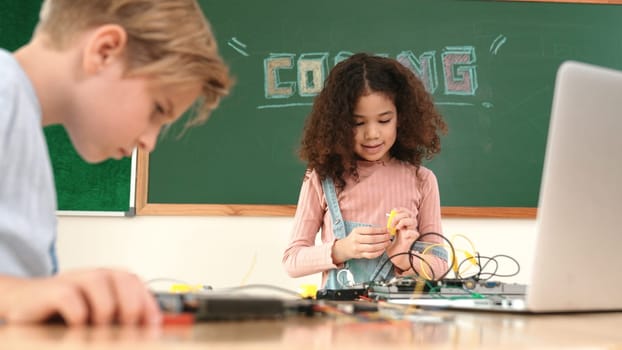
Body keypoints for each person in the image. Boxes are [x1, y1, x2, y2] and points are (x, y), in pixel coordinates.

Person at [0, 0, 231, 325]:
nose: (149, 142)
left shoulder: (24, 122)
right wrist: (17, 295)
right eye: (157, 110)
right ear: (105, 51)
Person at [282, 53, 448, 289]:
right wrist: (342, 249)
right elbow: (292, 261)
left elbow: (440, 264)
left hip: (400, 322)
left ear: (401, 118)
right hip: (339, 320)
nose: (372, 134)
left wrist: (403, 258)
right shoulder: (322, 177)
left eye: (384, 120)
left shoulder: (422, 180)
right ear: (339, 123)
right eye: (358, 123)